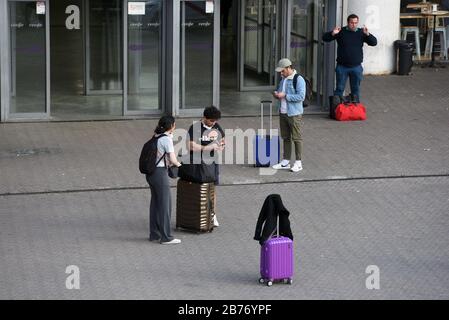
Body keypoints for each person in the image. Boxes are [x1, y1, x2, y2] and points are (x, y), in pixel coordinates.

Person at [322, 14, 377, 100]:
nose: (354, 25)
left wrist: (368, 34)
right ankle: (336, 110)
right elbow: (324, 38)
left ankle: (355, 112)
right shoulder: (341, 31)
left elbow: (374, 43)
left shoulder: (361, 32)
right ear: (348, 22)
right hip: (342, 67)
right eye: (352, 23)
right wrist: (333, 33)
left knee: (355, 90)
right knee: (339, 90)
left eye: (356, 23)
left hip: (356, 67)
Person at [146, 115, 182, 245]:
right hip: (160, 174)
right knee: (165, 205)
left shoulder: (156, 136)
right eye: (174, 124)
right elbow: (172, 159)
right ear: (171, 126)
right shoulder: (166, 139)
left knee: (155, 204)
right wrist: (179, 165)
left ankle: (154, 234)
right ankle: (166, 237)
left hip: (151, 174)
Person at [187, 106, 225, 227]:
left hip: (212, 163)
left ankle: (212, 214)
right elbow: (190, 146)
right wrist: (206, 148)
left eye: (215, 121)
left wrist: (221, 145)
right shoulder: (195, 127)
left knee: (212, 188)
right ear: (204, 118)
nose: (213, 123)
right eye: (211, 121)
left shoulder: (216, 126)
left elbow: (223, 139)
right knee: (198, 188)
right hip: (198, 163)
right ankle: (197, 214)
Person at [271, 58, 306, 173]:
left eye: (282, 71)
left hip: (294, 114)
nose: (281, 73)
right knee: (286, 137)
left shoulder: (298, 79)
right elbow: (280, 92)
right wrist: (277, 94)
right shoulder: (283, 80)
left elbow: (301, 97)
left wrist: (285, 96)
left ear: (288, 68)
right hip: (283, 112)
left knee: (297, 138)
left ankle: (298, 162)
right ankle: (285, 161)